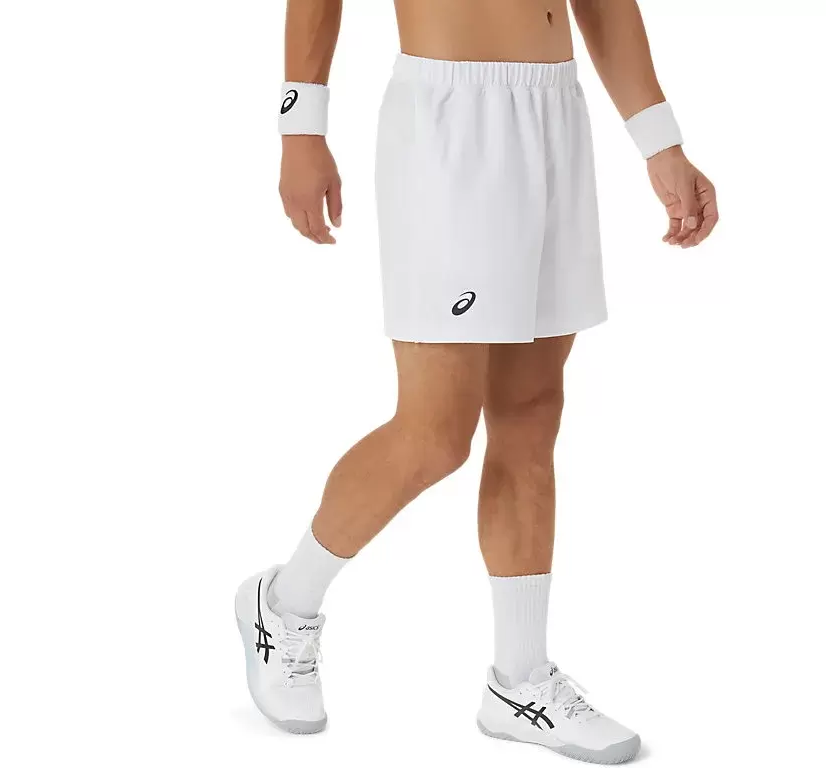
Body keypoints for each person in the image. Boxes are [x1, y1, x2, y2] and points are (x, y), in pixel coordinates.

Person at [235, 1, 718, 762]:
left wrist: (661, 142)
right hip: (449, 117)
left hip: (555, 109)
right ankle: (284, 603)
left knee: (532, 413)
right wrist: (302, 126)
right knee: (434, 433)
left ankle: (519, 682)